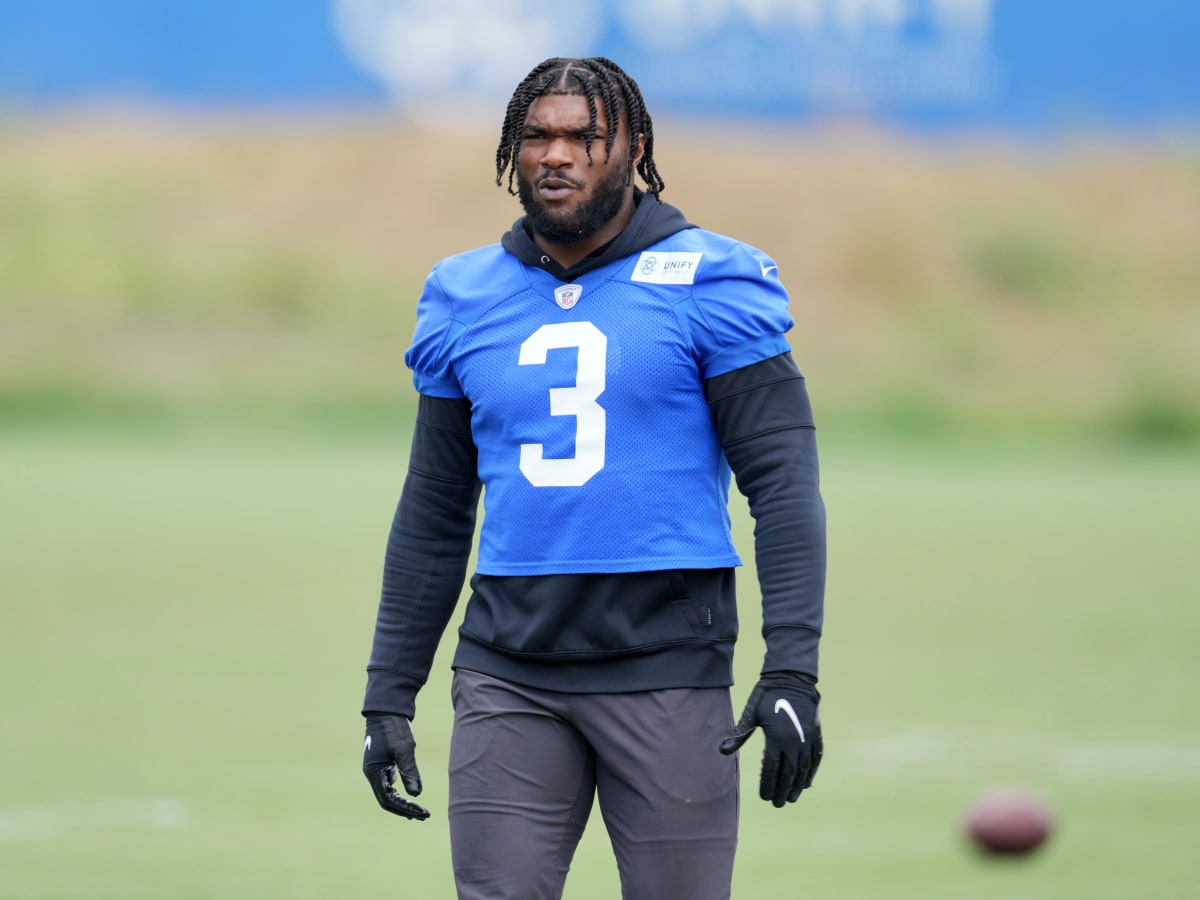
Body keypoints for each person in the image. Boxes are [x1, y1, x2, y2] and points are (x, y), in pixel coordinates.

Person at [361, 56, 826, 900]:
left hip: (666, 664)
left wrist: (791, 669)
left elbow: (783, 482)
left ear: (633, 148)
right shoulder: (464, 293)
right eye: (537, 135)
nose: (557, 155)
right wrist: (388, 695)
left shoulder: (714, 279)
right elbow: (434, 510)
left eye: (585, 136)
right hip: (509, 665)